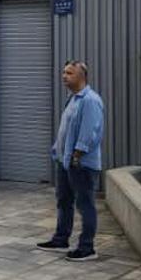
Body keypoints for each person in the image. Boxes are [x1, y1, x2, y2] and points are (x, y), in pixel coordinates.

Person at [38, 61, 105, 262]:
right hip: (65, 160)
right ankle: (61, 239)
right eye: (64, 72)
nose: (64, 76)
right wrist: (57, 150)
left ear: (81, 76)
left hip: (80, 163)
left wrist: (77, 154)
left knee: (85, 205)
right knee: (63, 201)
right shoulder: (73, 99)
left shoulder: (90, 100)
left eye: (69, 73)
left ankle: (87, 248)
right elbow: (66, 129)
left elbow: (90, 132)